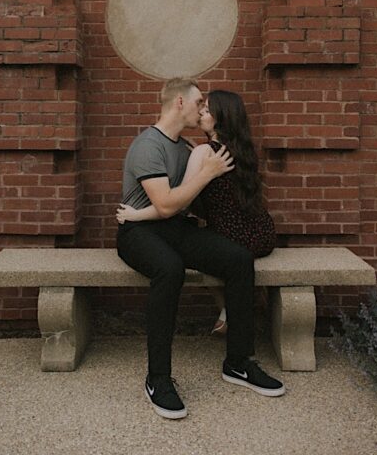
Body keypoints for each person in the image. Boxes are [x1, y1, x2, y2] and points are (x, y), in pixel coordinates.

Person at [115, 78, 284, 421]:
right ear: (179, 103)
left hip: (172, 226)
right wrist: (206, 174)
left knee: (238, 259)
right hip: (137, 230)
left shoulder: (186, 147)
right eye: (198, 103)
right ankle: (158, 379)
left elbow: (183, 209)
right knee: (170, 268)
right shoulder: (148, 146)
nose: (202, 109)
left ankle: (238, 362)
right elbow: (163, 205)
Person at [117, 89, 277, 337]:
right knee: (201, 239)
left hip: (231, 234)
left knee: (201, 246)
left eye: (207, 109)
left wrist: (137, 215)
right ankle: (232, 318)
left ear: (220, 117)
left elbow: (177, 204)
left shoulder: (204, 152)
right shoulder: (242, 149)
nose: (202, 111)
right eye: (201, 106)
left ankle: (227, 310)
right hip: (261, 232)